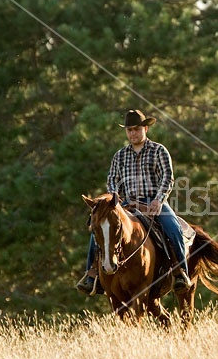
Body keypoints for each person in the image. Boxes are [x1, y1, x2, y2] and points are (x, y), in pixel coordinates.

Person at [76, 109, 191, 295]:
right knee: (99, 230)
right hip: (126, 204)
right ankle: (92, 274)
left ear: (145, 128)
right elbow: (112, 179)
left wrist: (159, 200)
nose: (133, 133)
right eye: (129, 130)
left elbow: (167, 177)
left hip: (154, 202)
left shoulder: (159, 150)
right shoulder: (119, 156)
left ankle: (180, 272)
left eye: (136, 129)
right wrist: (113, 196)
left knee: (172, 228)